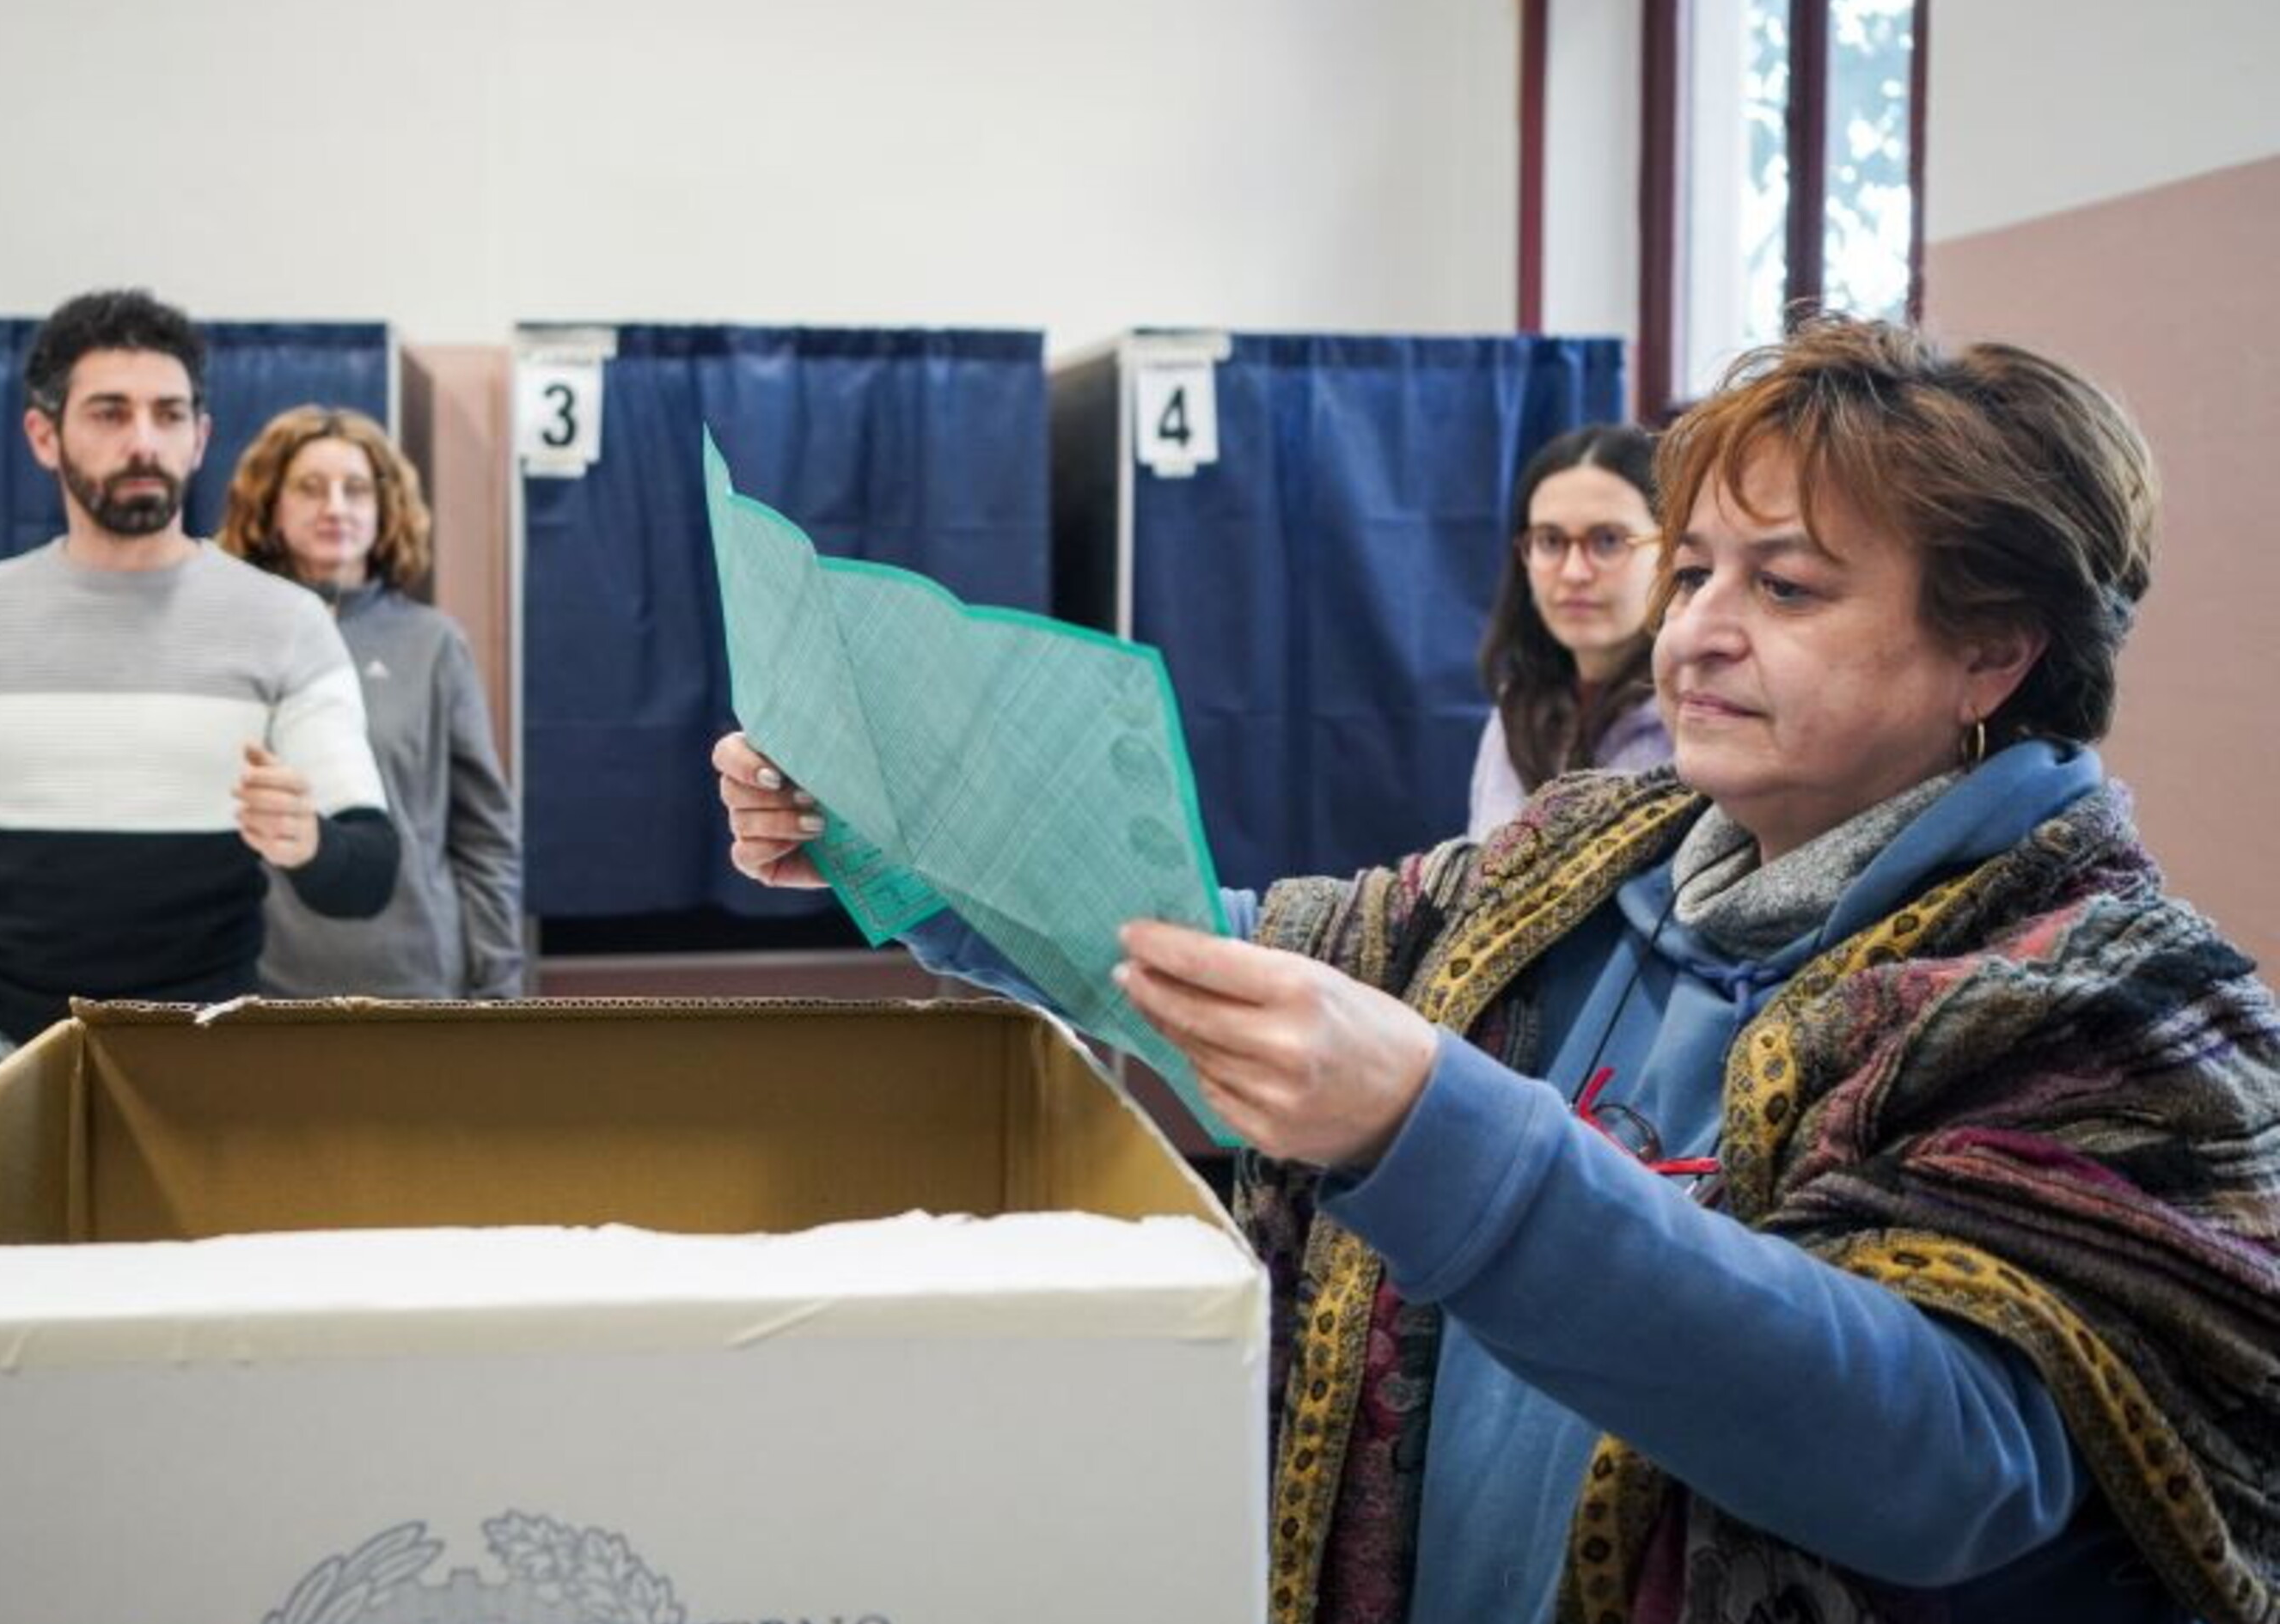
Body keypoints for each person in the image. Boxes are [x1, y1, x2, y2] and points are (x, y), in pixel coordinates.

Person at [713, 316, 2280, 1621]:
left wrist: (1441, 1131)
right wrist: (910, 842)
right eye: (1696, 574)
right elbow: (1214, 945)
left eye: (1786, 588)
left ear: (1994, 651)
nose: (1699, 634)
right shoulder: (1589, 858)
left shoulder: (2117, 1006)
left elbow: (1952, 1468)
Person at [0, 290, 400, 1155]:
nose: (143, 439)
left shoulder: (285, 624)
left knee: (210, 1298)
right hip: (0, 1069)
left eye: (168, 414)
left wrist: (310, 842)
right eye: (111, 413)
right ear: (44, 435)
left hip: (209, 1071)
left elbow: (369, 867)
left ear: (200, 437)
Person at [218, 406, 522, 1000]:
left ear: (384, 511)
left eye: (355, 489)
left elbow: (485, 834)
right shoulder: (234, 638)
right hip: (263, 988)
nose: (335, 507)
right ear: (270, 507)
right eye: (310, 488)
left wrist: (500, 982)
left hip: (416, 982)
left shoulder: (434, 644)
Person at [1469, 423, 1673, 839]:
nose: (1574, 572)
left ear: (1671, 551)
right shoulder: (1516, 710)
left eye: (1608, 540)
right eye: (1550, 540)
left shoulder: (1698, 715)